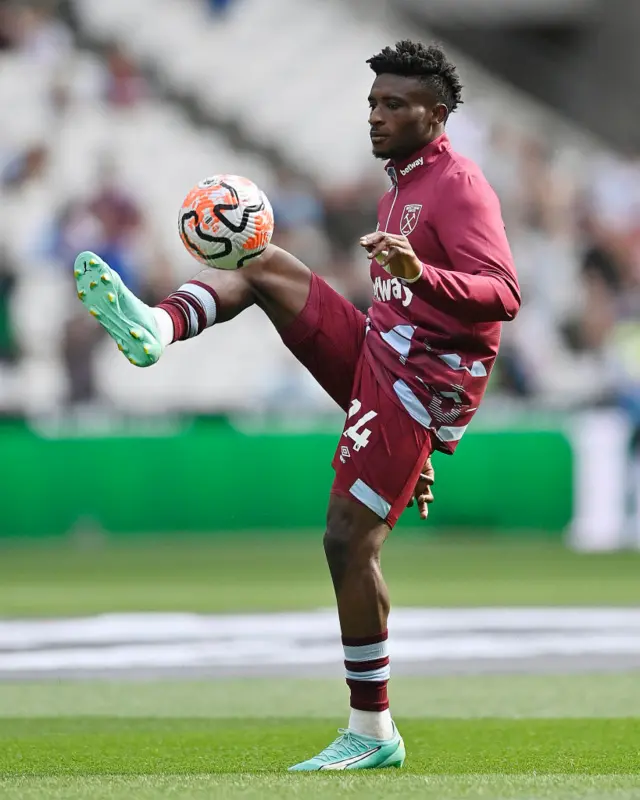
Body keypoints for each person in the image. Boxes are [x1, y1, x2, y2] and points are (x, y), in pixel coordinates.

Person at [73, 41, 520, 770]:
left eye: (394, 104)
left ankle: (372, 733)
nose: (376, 116)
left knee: (348, 540)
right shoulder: (400, 187)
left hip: (417, 385)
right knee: (260, 258)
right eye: (373, 102)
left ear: (436, 115)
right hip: (383, 354)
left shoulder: (459, 186)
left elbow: (502, 294)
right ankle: (156, 326)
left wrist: (422, 276)